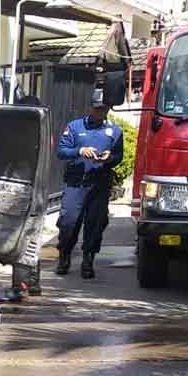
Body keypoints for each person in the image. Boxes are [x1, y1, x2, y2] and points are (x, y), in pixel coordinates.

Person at [55, 89, 123, 279]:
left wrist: (109, 157)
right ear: (90, 108)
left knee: (95, 222)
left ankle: (88, 260)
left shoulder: (115, 131)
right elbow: (61, 151)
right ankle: (64, 256)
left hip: (99, 183)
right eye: (98, 109)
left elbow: (118, 156)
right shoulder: (75, 127)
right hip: (76, 182)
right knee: (69, 221)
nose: (101, 112)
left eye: (104, 109)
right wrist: (79, 151)